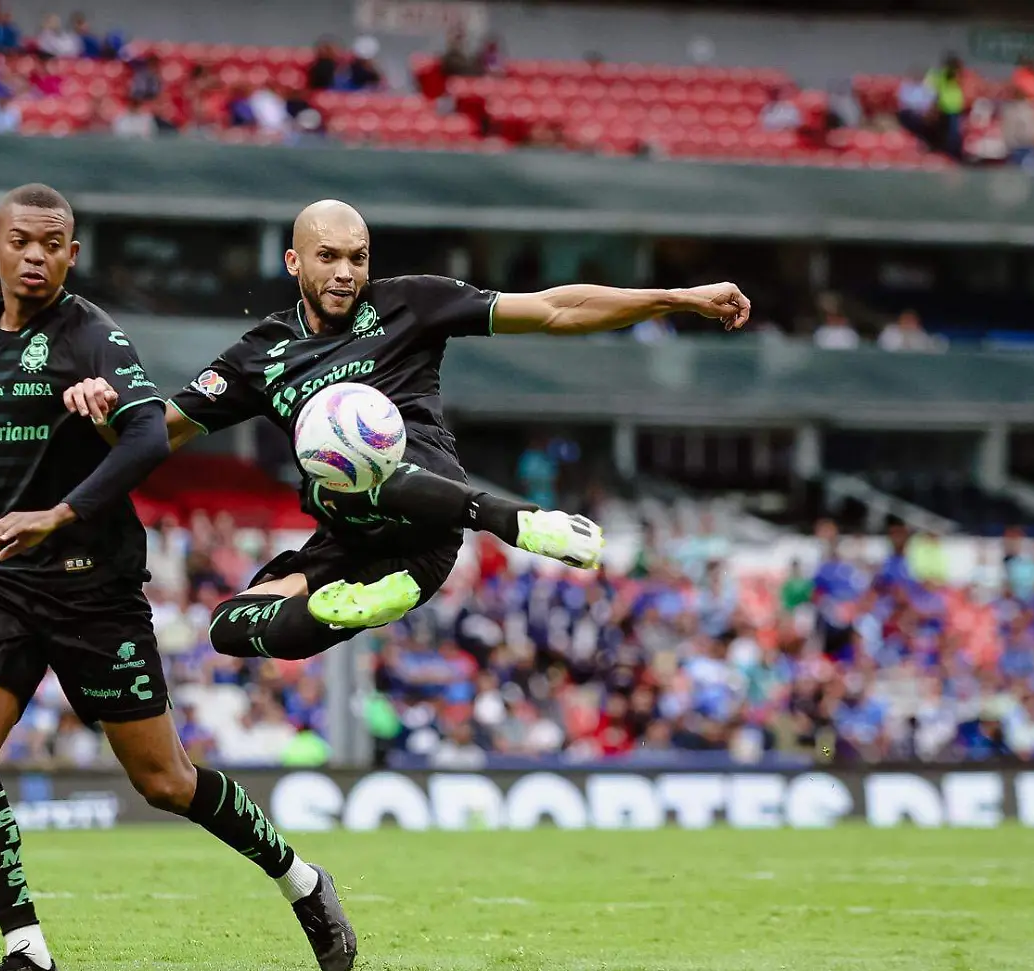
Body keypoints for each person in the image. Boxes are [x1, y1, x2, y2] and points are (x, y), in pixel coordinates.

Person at [0, 184, 356, 971]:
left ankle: (301, 881)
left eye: (52, 244)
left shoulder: (94, 336)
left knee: (164, 781)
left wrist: (59, 513)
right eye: (20, 241)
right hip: (1, 581)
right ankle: (26, 949)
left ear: (71, 253)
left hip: (93, 587)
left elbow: (144, 438)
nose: (36, 255)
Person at [64, 199, 748, 666]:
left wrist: (676, 298)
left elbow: (552, 311)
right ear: (294, 263)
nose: (345, 273)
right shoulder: (260, 355)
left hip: (429, 517)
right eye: (328, 256)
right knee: (230, 626)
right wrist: (102, 411)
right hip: (349, 541)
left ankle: (516, 521)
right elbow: (162, 430)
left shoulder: (409, 303)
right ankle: (351, 609)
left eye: (357, 257)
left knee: (353, 442)